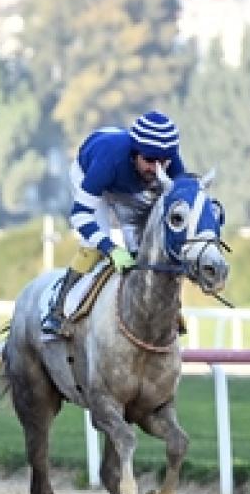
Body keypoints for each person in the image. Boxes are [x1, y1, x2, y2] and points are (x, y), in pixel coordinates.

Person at [41, 110, 187, 337]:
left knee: (143, 248)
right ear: (135, 153)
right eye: (149, 161)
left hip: (129, 185)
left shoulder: (172, 165)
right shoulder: (108, 160)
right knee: (93, 246)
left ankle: (169, 311)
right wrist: (110, 249)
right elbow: (80, 215)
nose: (156, 170)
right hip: (90, 170)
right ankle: (57, 312)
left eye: (162, 163)